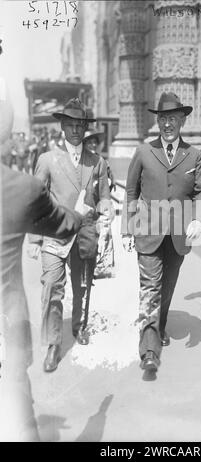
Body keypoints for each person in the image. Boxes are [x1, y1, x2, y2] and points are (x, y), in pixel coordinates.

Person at [121, 92, 201, 374]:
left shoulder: (194, 155)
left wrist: (199, 219)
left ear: (182, 120)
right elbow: (132, 190)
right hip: (147, 229)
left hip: (179, 233)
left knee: (167, 287)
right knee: (150, 287)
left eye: (172, 118)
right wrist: (128, 226)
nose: (167, 124)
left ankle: (158, 325)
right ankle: (149, 349)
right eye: (162, 119)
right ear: (157, 121)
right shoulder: (144, 152)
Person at [28, 97, 112, 373]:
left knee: (83, 286)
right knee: (52, 287)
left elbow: (103, 197)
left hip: (85, 233)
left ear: (85, 127)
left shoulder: (96, 162)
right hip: (54, 234)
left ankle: (79, 326)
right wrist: (35, 240)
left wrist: (107, 209)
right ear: (62, 126)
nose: (76, 130)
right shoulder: (48, 160)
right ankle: (53, 343)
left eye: (80, 125)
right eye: (71, 124)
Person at [0, 165, 84, 441]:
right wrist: (80, 214)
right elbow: (63, 223)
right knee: (19, 409)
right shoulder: (19, 186)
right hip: (7, 325)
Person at [83, 129, 116, 279]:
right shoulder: (79, 161)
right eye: (89, 142)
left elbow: (107, 184)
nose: (92, 145)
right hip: (82, 205)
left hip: (98, 205)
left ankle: (101, 266)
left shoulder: (101, 162)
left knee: (103, 235)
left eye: (94, 142)